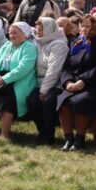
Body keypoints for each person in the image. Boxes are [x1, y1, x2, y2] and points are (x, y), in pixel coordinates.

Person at [56, 14, 96, 152]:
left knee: (81, 100)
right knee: (63, 100)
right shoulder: (77, 43)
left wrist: (84, 81)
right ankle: (69, 138)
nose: (85, 29)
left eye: (88, 26)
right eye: (83, 26)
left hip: (94, 84)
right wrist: (67, 82)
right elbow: (67, 67)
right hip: (73, 82)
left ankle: (80, 139)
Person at [0, 21, 39, 142]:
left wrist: (4, 79)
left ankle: (4, 136)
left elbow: (23, 69)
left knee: (8, 101)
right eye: (10, 33)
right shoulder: (7, 45)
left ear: (25, 34)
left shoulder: (29, 47)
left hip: (17, 83)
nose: (12, 35)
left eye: (16, 33)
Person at [29, 17, 69, 145]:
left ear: (49, 30)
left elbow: (54, 69)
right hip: (42, 83)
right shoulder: (41, 42)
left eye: (41, 30)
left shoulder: (59, 44)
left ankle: (48, 135)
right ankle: (42, 132)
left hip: (56, 84)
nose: (38, 32)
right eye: (37, 30)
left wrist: (44, 90)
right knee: (31, 101)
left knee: (48, 101)